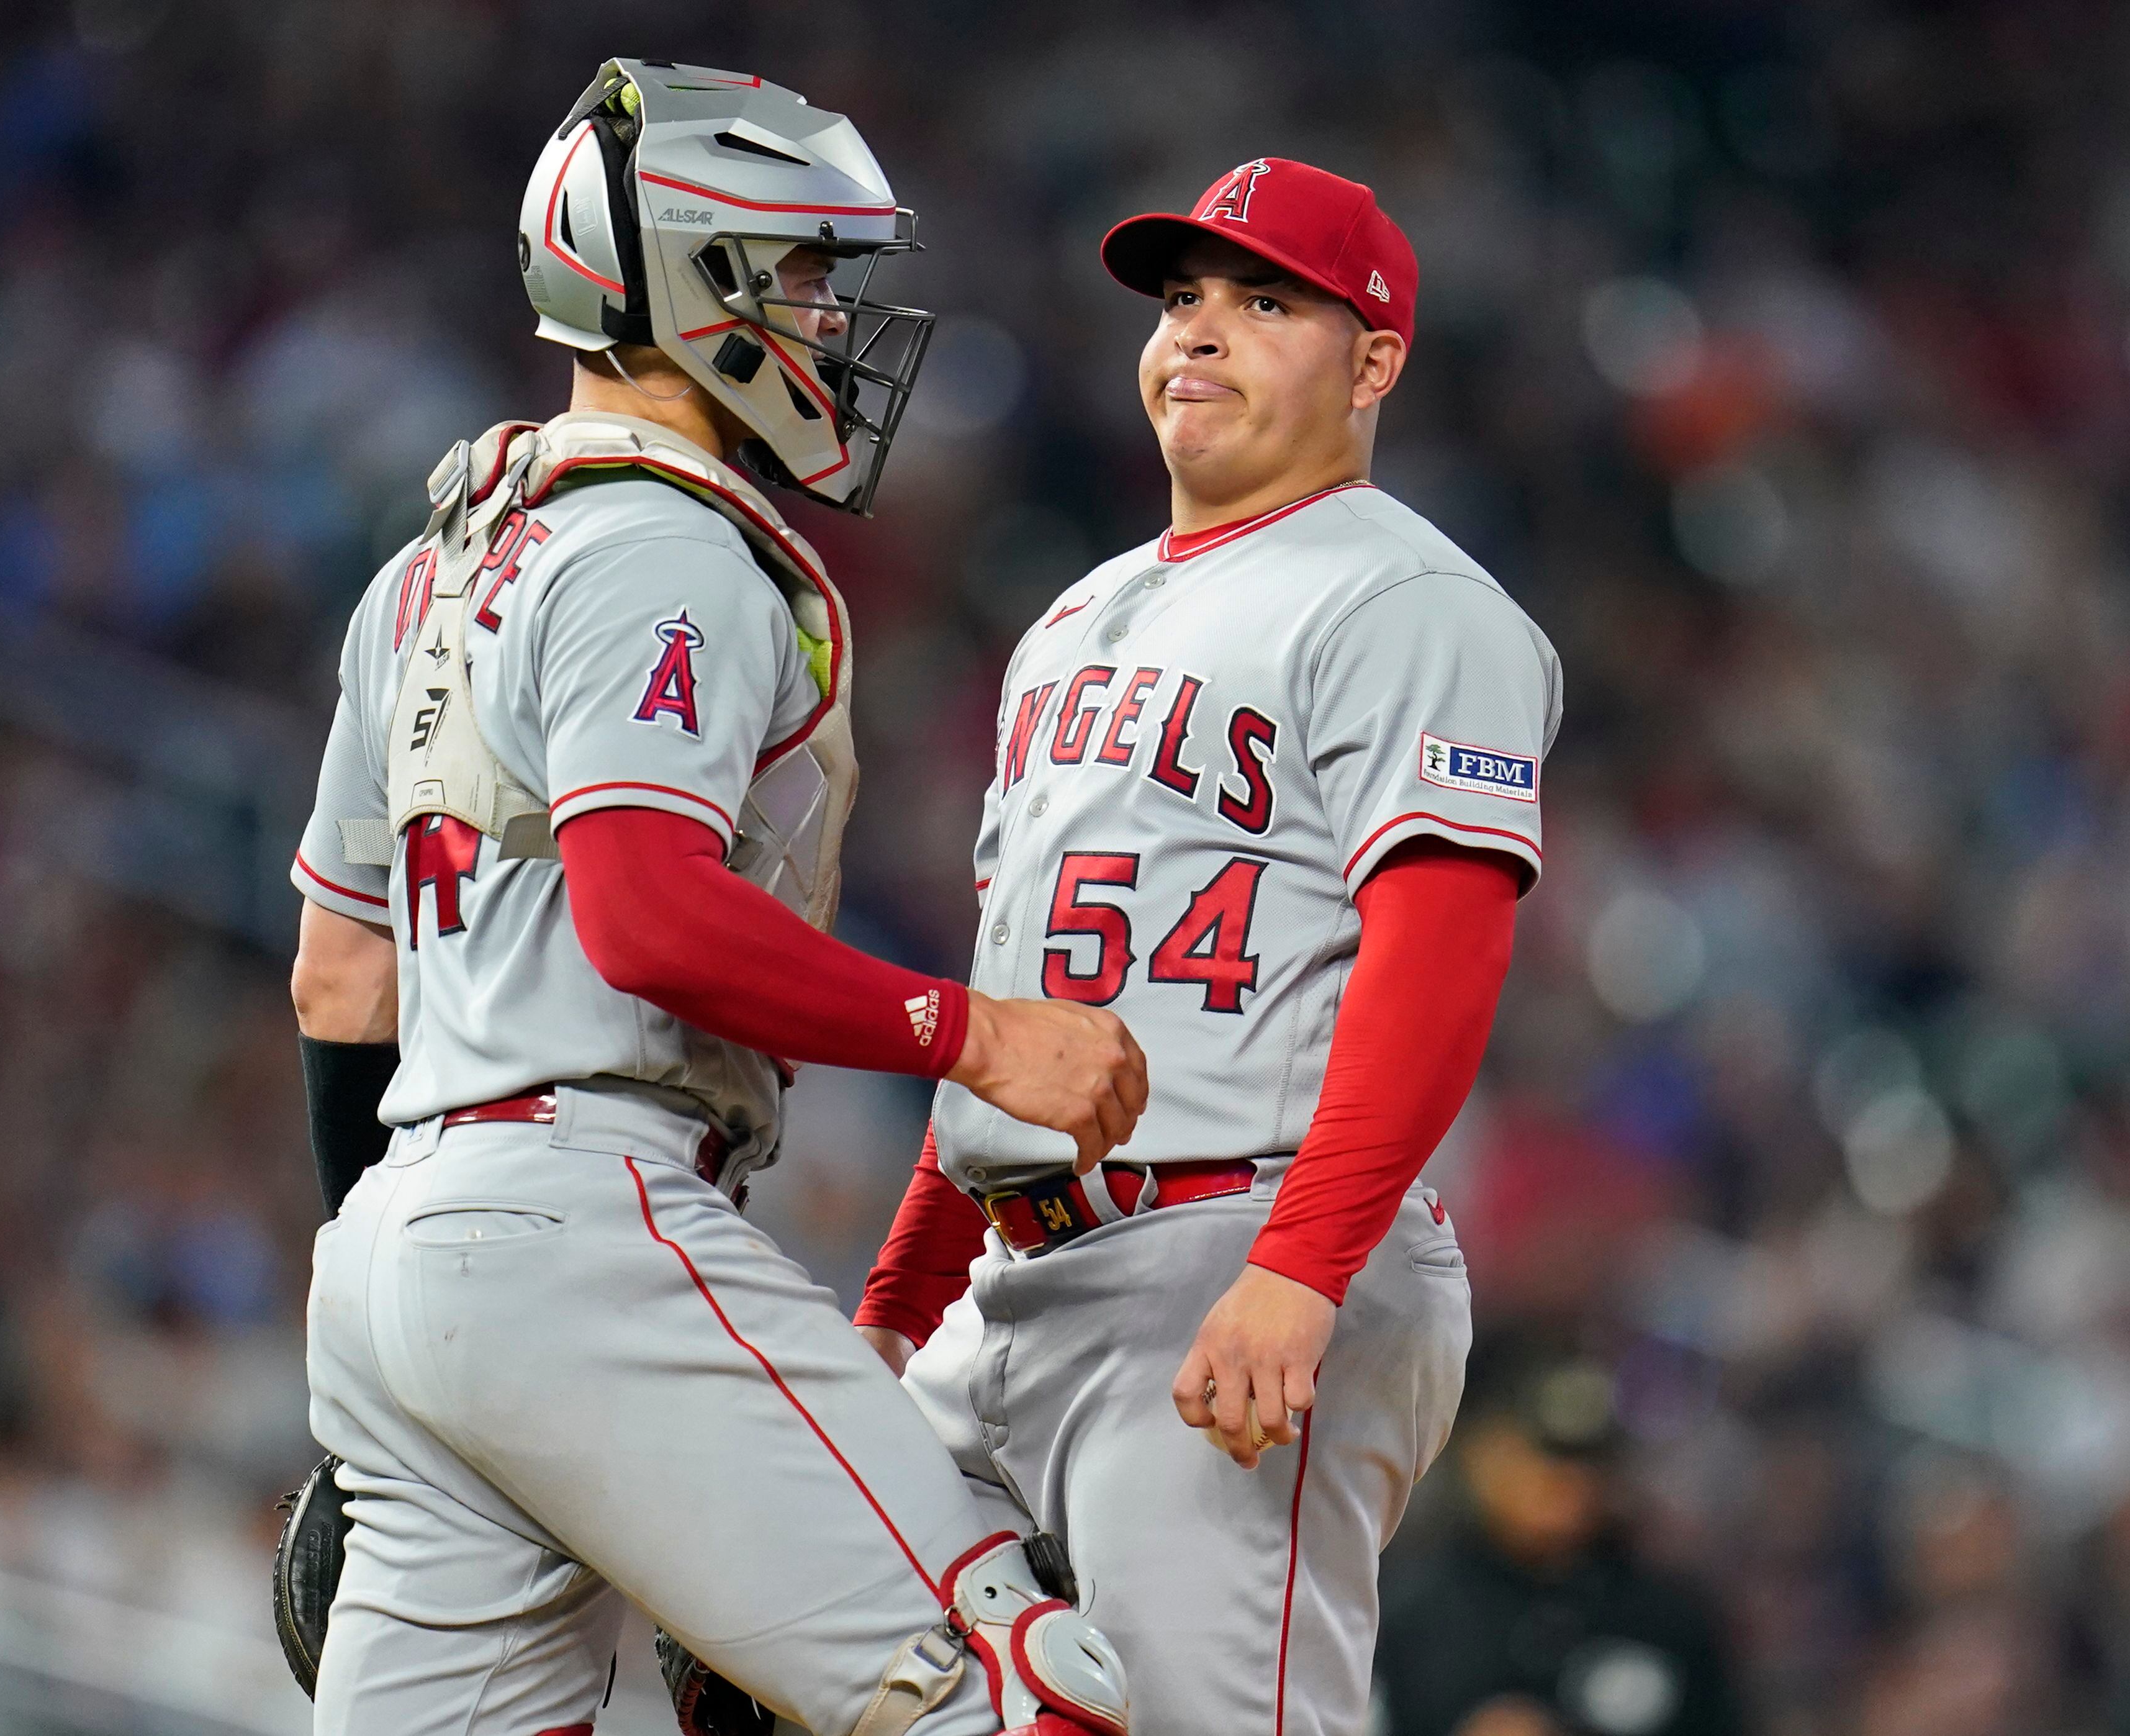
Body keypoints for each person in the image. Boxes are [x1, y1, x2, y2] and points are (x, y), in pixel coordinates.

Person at [282, 60, 1140, 1736]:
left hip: (396, 1252)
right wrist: (971, 1036)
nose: (835, 319)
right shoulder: (667, 548)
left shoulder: (436, 561)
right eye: (808, 274)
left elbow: (337, 979)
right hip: (584, 1215)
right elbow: (650, 919)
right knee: (1028, 1690)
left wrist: (393, 1311)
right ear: (695, 281)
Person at [849, 156, 1564, 1735]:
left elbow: (1439, 960)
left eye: (1265, 300)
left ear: (1375, 359)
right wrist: (902, 1301)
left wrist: (1298, 1269)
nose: (1202, 331)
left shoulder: (1412, 601)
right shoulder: (1069, 624)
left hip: (1226, 1246)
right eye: (1183, 298)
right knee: (808, 1651)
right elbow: (1017, 1024)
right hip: (1017, 1277)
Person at [1374, 1342, 1741, 1736]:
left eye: (1586, 1460)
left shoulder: (1668, 1620)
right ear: (1482, 1454)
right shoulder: (1407, 1608)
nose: (1565, 1483)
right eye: (1543, 1455)